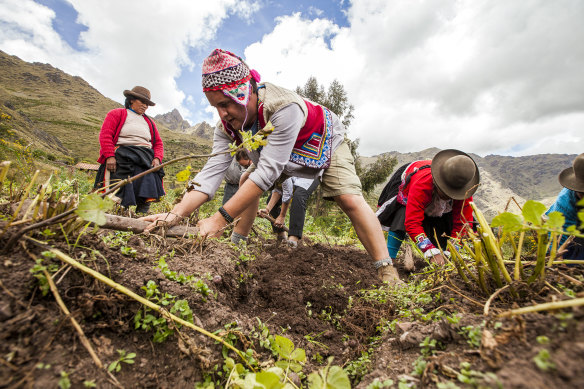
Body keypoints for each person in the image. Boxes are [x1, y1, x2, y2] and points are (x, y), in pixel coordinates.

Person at [142, 49, 401, 284]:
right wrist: (175, 214)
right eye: (215, 107)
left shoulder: (284, 107)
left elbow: (267, 174)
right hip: (279, 156)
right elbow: (211, 172)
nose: (222, 114)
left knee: (349, 198)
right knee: (246, 181)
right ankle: (237, 246)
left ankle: (386, 269)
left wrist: (218, 219)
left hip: (322, 141)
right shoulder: (226, 128)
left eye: (225, 104)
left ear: (245, 93)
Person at [376, 149, 479, 265]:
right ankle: (390, 259)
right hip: (412, 184)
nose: (447, 197)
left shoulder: (464, 194)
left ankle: (443, 259)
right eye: (445, 192)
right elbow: (412, 222)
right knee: (402, 214)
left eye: (451, 194)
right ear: (437, 182)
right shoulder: (421, 185)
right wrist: (430, 251)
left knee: (446, 223)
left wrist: (451, 252)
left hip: (431, 192)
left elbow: (462, 226)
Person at [94, 86, 165, 214]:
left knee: (150, 173)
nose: (145, 106)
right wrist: (110, 156)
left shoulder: (149, 122)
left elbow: (158, 143)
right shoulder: (117, 114)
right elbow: (105, 135)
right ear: (131, 100)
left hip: (145, 156)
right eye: (142, 102)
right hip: (123, 154)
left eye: (147, 104)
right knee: (121, 183)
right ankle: (120, 210)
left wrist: (157, 158)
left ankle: (142, 210)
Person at [258, 177, 319, 247]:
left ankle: (293, 241)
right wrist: (267, 209)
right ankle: (282, 238)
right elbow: (279, 189)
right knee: (271, 201)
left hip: (311, 172)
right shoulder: (270, 173)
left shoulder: (280, 169)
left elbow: (288, 193)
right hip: (293, 175)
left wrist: (282, 216)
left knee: (298, 196)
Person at [545, 153, 584, 259]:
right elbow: (557, 236)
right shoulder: (565, 201)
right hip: (573, 234)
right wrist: (557, 258)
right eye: (582, 194)